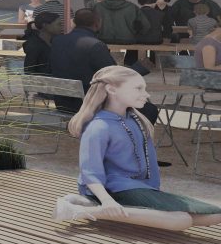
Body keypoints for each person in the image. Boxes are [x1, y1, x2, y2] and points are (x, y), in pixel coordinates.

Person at [55, 66, 221, 230]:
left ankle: (93, 206)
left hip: (138, 189)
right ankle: (85, 210)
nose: (146, 94)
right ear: (112, 90)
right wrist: (107, 200)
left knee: (215, 215)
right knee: (181, 221)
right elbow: (90, 171)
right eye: (138, 88)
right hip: (112, 190)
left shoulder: (136, 119)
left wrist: (152, 192)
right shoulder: (99, 127)